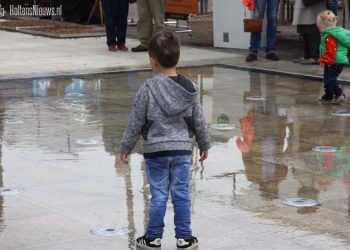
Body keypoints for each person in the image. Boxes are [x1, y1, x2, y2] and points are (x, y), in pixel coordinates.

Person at [120, 30, 211, 249]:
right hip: (181, 150)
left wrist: (126, 147)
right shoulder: (189, 89)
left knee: (158, 195)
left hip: (156, 151)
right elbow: (198, 119)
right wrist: (204, 143)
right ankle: (184, 238)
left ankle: (152, 238)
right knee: (181, 194)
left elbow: (136, 122)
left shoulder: (148, 89)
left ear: (153, 60)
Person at [317, 10, 350, 104]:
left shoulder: (329, 36)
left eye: (319, 25)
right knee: (327, 78)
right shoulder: (331, 34)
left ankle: (339, 94)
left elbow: (331, 51)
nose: (318, 27)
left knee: (330, 79)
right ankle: (328, 95)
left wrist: (324, 60)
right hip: (333, 61)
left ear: (324, 24)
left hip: (334, 62)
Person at [292, 0, 326, 65]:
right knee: (303, 27)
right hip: (303, 4)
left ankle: (315, 57)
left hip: (314, 5)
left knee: (312, 27)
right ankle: (307, 55)